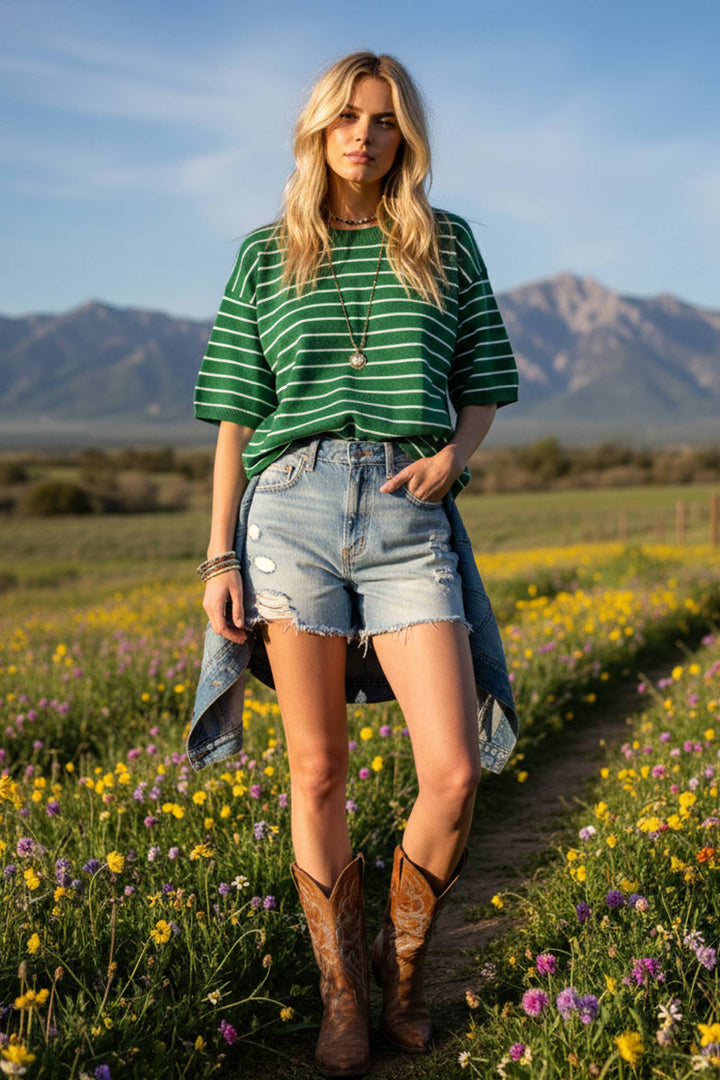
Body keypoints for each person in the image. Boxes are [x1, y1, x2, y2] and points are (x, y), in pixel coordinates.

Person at [188, 51, 519, 1078]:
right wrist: (218, 555)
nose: (362, 136)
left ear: (404, 137)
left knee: (455, 771)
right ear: (317, 130)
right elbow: (238, 420)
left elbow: (484, 383)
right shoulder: (264, 254)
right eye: (345, 118)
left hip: (405, 505)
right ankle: (343, 997)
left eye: (381, 121)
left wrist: (453, 460)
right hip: (287, 511)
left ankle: (400, 967)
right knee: (318, 769)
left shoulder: (446, 243)